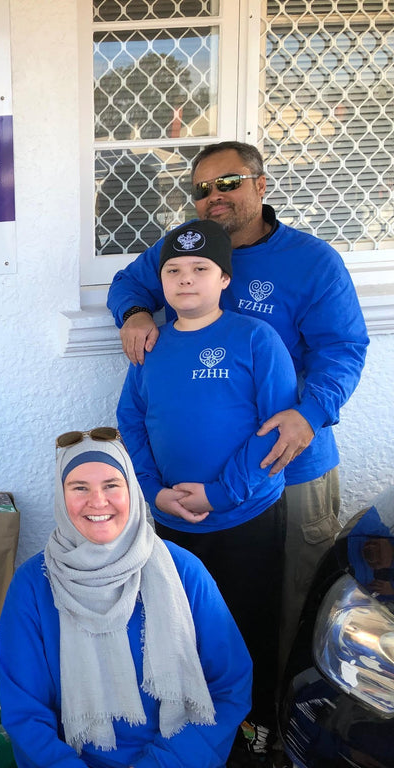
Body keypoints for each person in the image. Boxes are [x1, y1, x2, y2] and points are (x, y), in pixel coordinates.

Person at [107, 140, 369, 682]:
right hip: (194, 488)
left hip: (292, 464)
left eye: (228, 182)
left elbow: (343, 348)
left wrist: (311, 412)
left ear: (260, 185)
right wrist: (134, 314)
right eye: (201, 188)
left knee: (291, 601)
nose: (213, 197)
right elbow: (130, 284)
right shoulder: (185, 248)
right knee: (200, 608)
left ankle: (277, 727)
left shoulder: (312, 261)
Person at [115, 218, 298, 756]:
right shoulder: (152, 347)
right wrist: (151, 491)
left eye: (200, 269)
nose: (186, 280)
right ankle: (185, 720)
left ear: (224, 280)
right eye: (174, 270)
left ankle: (252, 726)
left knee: (245, 625)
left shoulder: (255, 339)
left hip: (245, 520)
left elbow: (277, 431)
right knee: (177, 624)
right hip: (172, 521)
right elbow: (132, 421)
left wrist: (219, 493)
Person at [0, 428, 252, 768]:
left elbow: (228, 686)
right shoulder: (34, 585)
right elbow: (25, 711)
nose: (97, 501)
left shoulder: (183, 572)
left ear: (131, 489)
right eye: (79, 488)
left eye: (111, 486)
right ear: (61, 496)